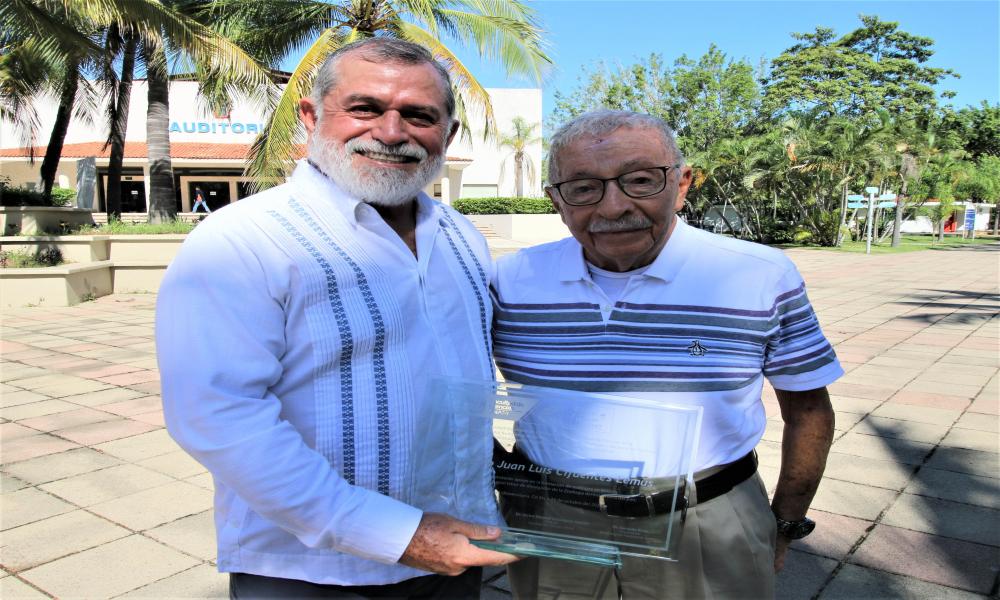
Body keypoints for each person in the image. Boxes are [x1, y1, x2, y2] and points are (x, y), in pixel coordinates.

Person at [156, 38, 516, 599]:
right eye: (366, 108)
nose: (392, 133)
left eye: (419, 115)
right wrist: (398, 535)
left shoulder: (463, 237)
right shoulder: (244, 240)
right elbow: (218, 417)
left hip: (458, 558)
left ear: (447, 133)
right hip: (314, 572)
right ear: (311, 115)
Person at [491, 110, 843, 599]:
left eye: (639, 180)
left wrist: (784, 523)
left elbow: (809, 410)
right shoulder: (508, 282)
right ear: (556, 200)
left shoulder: (759, 276)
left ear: (681, 184)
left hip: (707, 520)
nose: (613, 207)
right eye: (583, 187)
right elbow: (448, 389)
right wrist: (503, 482)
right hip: (557, 523)